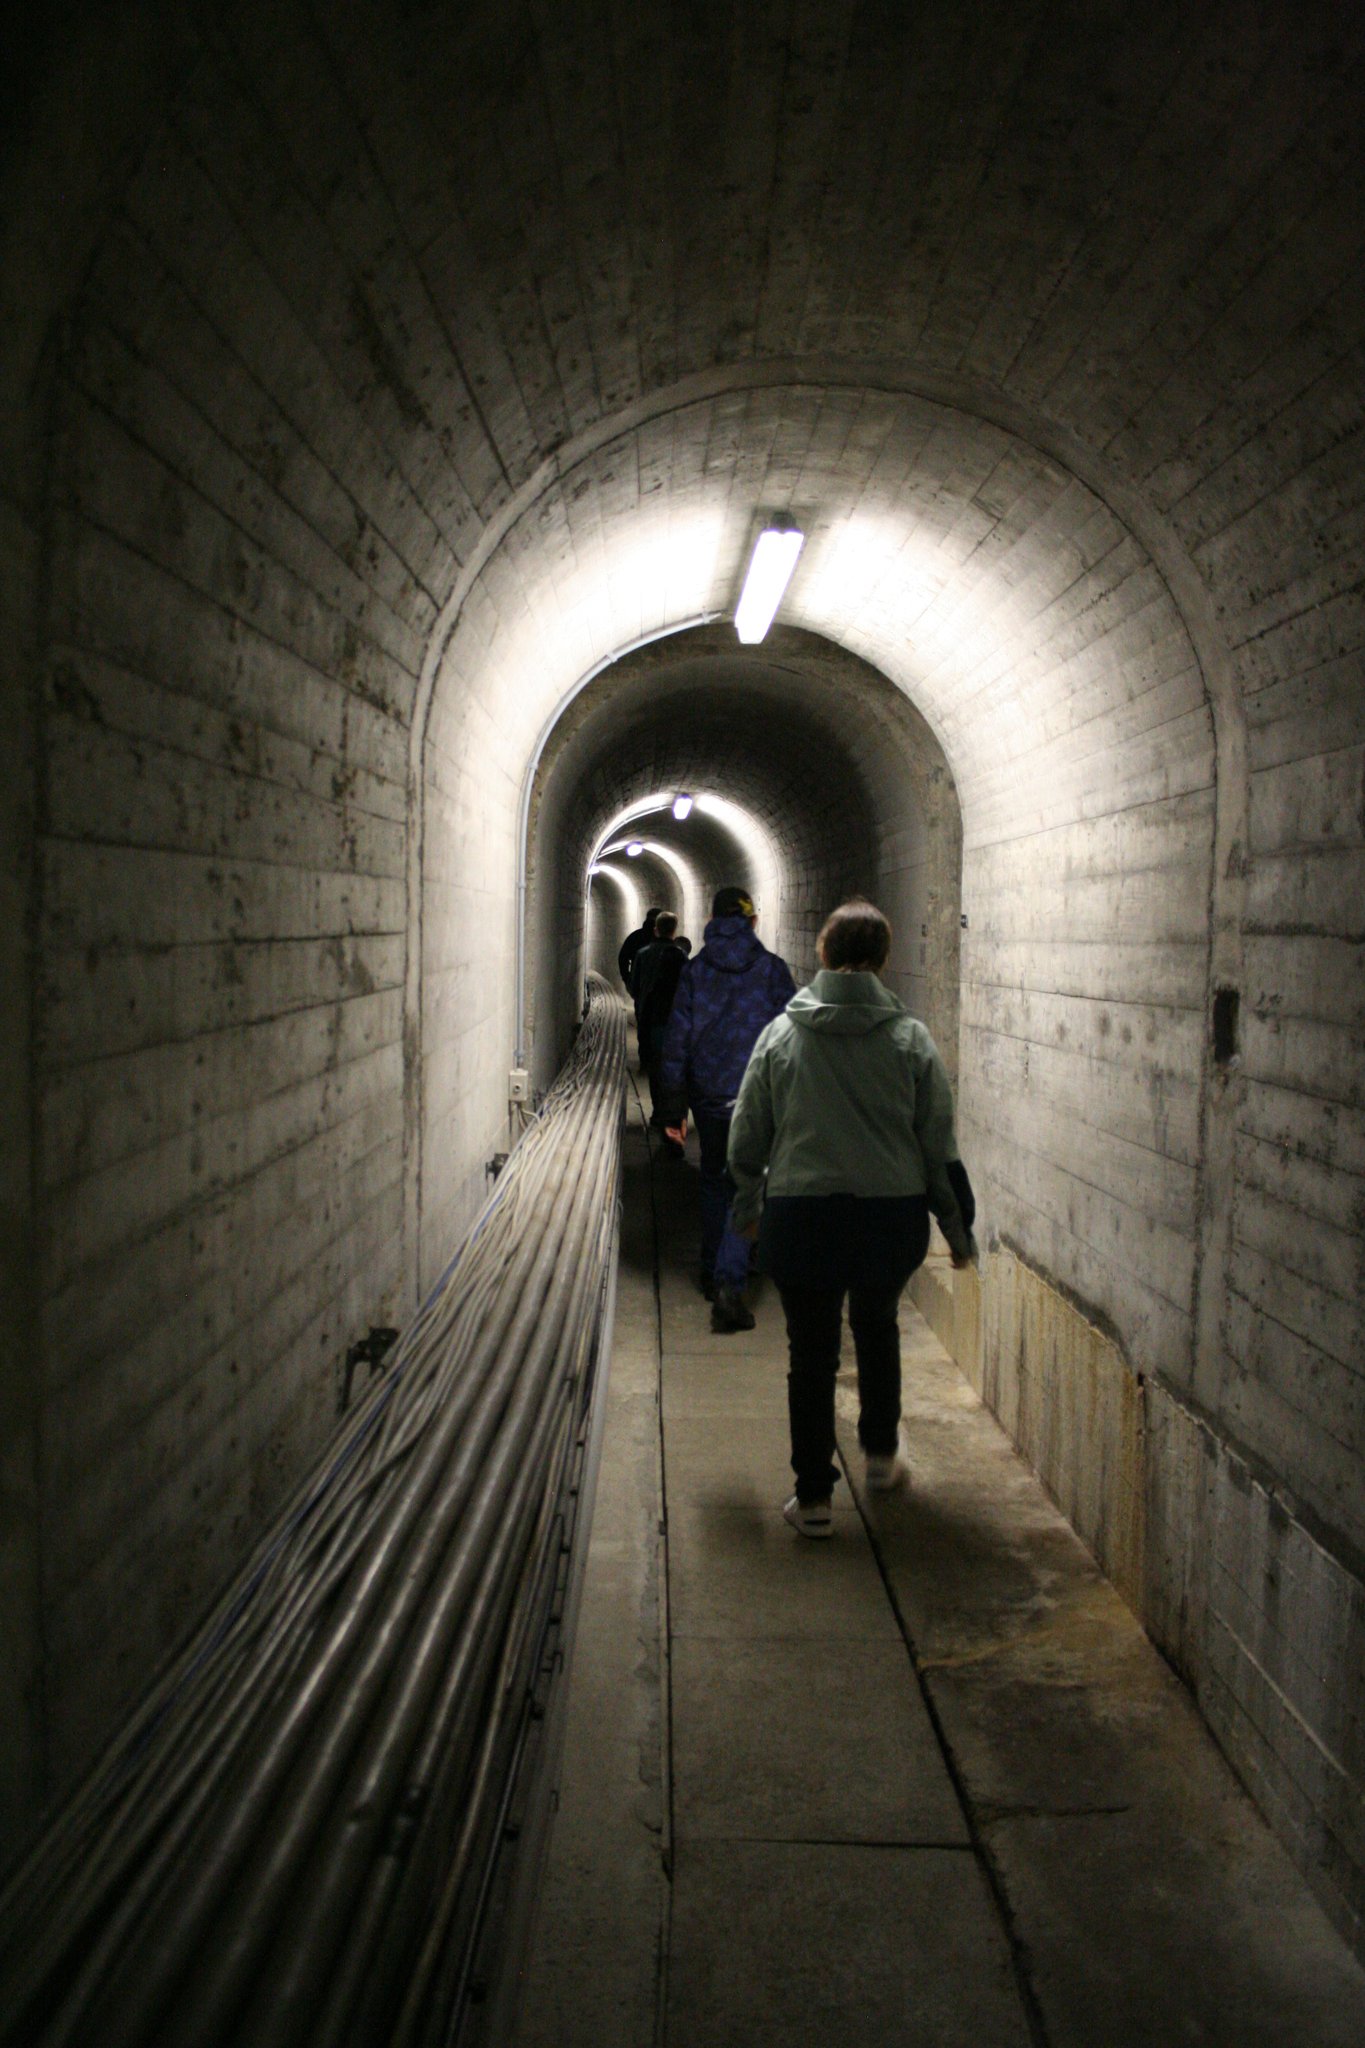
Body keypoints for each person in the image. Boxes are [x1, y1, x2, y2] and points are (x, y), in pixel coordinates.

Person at [727, 898, 977, 1537]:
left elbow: (747, 1134)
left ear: (823, 954)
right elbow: (938, 1146)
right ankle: (882, 1457)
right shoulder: (910, 1039)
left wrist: (747, 1206)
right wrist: (957, 1231)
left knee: (810, 1352)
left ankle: (813, 1499)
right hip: (889, 1221)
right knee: (876, 1327)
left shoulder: (782, 1035)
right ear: (883, 959)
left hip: (802, 1217)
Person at [659, 886, 796, 1332]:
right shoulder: (773, 971)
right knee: (747, 1187)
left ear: (711, 922)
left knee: (714, 1178)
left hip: (709, 1096)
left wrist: (673, 1107)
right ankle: (730, 1285)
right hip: (757, 1097)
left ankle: (711, 1269)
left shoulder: (695, 972)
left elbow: (677, 1040)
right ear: (753, 922)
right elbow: (792, 1039)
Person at [631, 912, 689, 1148]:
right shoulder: (681, 957)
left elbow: (634, 987)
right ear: (674, 930)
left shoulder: (642, 955)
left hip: (651, 1021)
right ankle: (674, 1119)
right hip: (676, 1024)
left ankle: (658, 1113)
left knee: (655, 1069)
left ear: (656, 929)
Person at [618, 908, 662, 1001]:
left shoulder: (635, 936)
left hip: (639, 984)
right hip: (659, 987)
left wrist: (627, 979)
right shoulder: (662, 939)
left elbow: (623, 958)